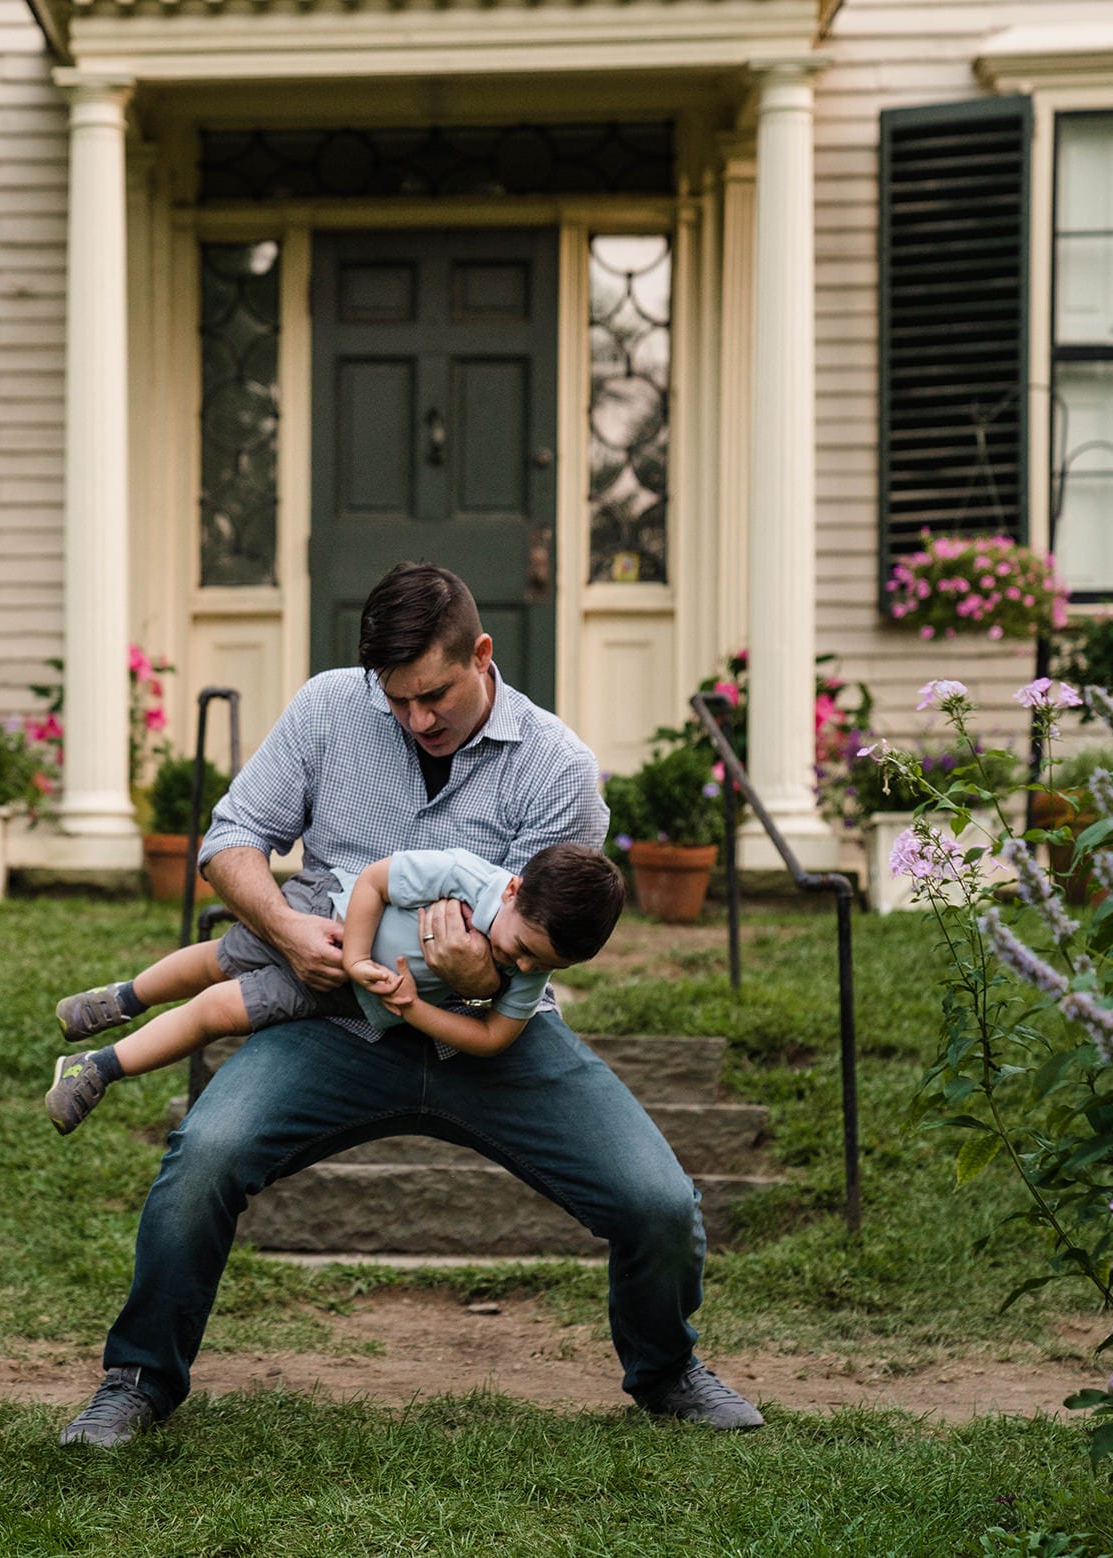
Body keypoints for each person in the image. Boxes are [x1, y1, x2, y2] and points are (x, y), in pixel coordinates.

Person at [58, 562, 764, 1447]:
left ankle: (667, 1373)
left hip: (497, 1042)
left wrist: (482, 979)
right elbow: (231, 841)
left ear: (482, 653)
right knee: (206, 1152)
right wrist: (284, 929)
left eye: (433, 696)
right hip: (331, 1018)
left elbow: (536, 950)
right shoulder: (326, 708)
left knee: (657, 1202)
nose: (416, 720)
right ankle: (137, 1381)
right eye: (395, 702)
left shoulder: (559, 767)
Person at [45, 842, 623, 1131]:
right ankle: (124, 998)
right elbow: (375, 881)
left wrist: (411, 1008)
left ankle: (96, 1067)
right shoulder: (466, 876)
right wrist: (349, 954)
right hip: (321, 915)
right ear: (515, 891)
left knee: (219, 1010)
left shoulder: (530, 968)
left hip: (346, 994)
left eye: (544, 967)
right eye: (521, 948)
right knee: (219, 961)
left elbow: (494, 1037)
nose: (521, 969)